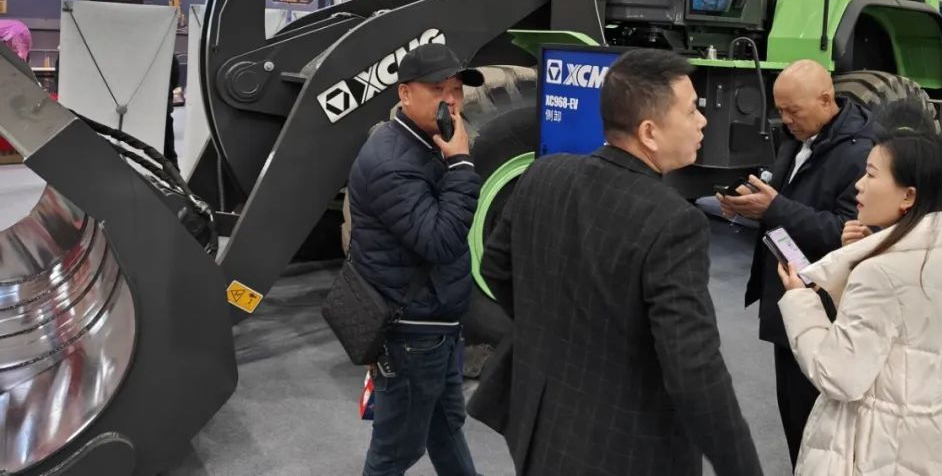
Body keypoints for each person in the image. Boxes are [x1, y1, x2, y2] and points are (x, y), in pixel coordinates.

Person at [480, 48, 761, 476]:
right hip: (622, 451)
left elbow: (496, 267)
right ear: (650, 132)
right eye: (691, 110)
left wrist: (552, 333)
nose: (703, 121)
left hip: (539, 430)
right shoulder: (673, 222)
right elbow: (693, 368)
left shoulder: (543, 175)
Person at [776, 110, 942, 475]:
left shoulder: (881, 273)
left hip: (875, 448)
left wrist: (802, 301)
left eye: (871, 174)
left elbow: (839, 374)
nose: (859, 185)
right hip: (938, 443)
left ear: (909, 196)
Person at [717, 58, 875, 467]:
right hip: (789, 299)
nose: (786, 120)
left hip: (822, 309)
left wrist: (774, 208)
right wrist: (748, 207)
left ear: (825, 100)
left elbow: (847, 233)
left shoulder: (861, 154)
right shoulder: (799, 138)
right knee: (792, 415)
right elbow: (785, 201)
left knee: (816, 428)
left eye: (793, 111)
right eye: (780, 110)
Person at [348, 42, 484, 476]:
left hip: (435, 324)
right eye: (438, 89)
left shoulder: (427, 143)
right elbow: (440, 241)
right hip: (412, 333)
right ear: (405, 94)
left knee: (446, 429)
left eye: (457, 90)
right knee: (395, 452)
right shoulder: (392, 163)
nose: (452, 101)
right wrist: (461, 165)